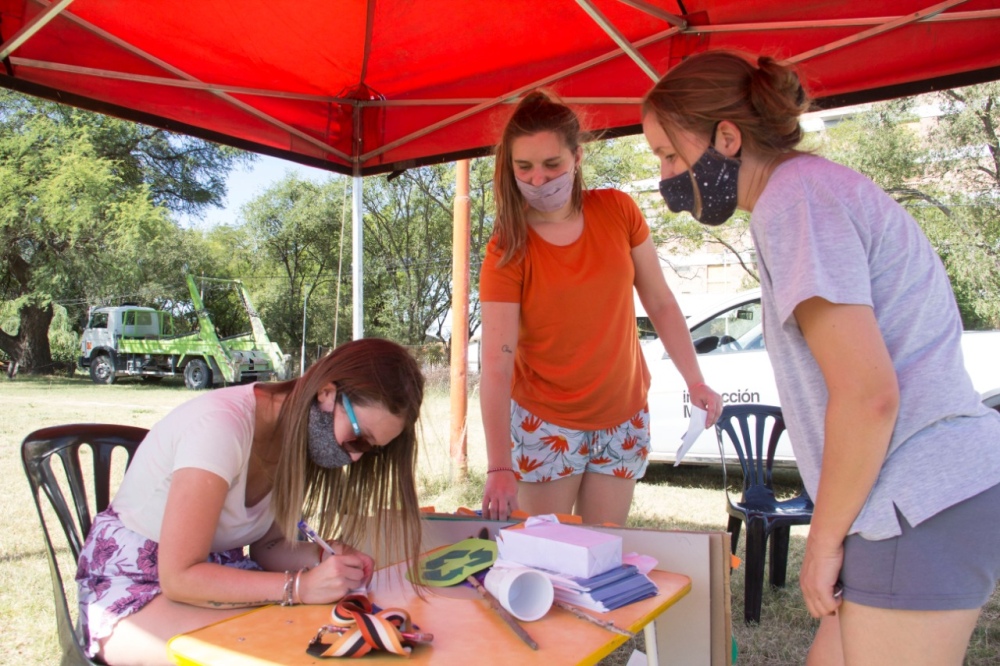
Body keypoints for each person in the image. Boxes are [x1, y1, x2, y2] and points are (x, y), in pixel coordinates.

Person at [641, 50, 1000, 665]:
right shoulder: (807, 191)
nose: (667, 176)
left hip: (913, 500)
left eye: (670, 155)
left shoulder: (795, 202)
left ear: (727, 138)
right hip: (904, 496)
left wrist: (823, 541)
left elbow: (868, 394)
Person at [75, 338, 425, 666]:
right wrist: (300, 588)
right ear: (327, 392)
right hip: (132, 588)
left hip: (214, 575)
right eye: (359, 439)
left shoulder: (293, 439)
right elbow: (179, 577)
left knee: (322, 634)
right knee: (276, 648)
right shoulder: (220, 428)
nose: (356, 459)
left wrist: (324, 556)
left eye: (371, 450)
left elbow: (267, 547)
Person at [479, 90, 722, 526]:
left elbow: (661, 302)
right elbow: (497, 365)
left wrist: (696, 380)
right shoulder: (507, 247)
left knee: (601, 555)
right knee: (549, 560)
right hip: (545, 421)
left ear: (577, 156)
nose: (538, 180)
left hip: (623, 415)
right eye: (524, 167)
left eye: (552, 165)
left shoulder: (618, 210)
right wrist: (499, 466)